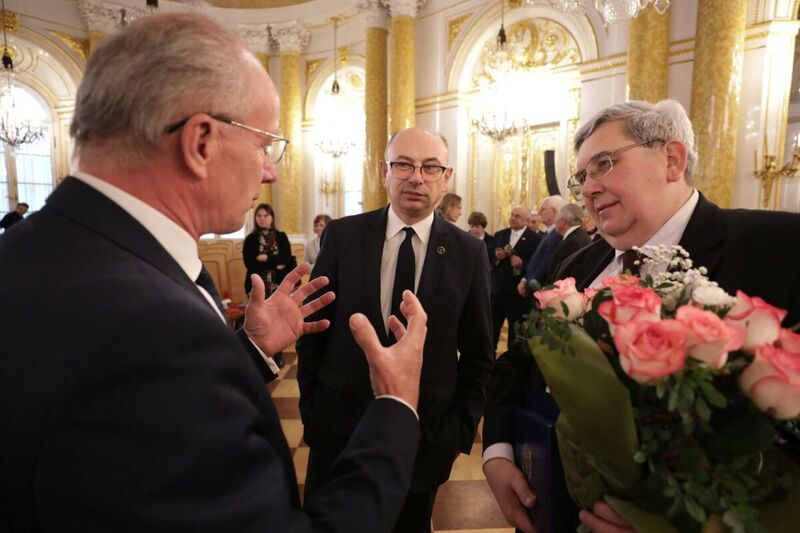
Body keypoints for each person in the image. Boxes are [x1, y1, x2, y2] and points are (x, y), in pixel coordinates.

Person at [0, 13, 431, 532]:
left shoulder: (30, 250)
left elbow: (147, 436)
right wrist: (395, 406)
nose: (270, 170)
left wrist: (247, 352)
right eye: (263, 144)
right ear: (201, 141)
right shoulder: (158, 330)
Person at [482, 99, 800, 533]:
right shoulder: (579, 263)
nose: (589, 189)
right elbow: (518, 362)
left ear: (671, 160)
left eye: (605, 164)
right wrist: (497, 452)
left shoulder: (779, 249)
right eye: (583, 177)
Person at [296, 127, 494, 533]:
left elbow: (479, 353)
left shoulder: (468, 252)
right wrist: (312, 410)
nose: (416, 177)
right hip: (338, 427)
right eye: (403, 164)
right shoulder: (342, 235)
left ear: (446, 176)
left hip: (425, 436)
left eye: (429, 167)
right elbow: (314, 331)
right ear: (383, 170)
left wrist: (457, 433)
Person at [489, 205, 541, 350]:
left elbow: (537, 264)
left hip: (518, 294)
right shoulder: (500, 235)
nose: (512, 218)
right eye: (512, 214)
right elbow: (488, 256)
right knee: (491, 331)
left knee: (515, 334)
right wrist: (496, 257)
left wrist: (522, 264)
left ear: (526, 220)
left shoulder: (535, 238)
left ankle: (509, 367)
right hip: (497, 291)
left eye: (517, 216)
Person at [243, 203, 292, 295]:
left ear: (272, 217)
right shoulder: (250, 239)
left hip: (279, 283)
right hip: (256, 284)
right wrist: (275, 264)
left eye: (266, 215)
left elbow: (286, 258)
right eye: (259, 216)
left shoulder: (281, 236)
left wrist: (266, 258)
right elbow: (250, 264)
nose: (262, 218)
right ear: (255, 218)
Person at [544, 203, 592, 278]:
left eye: (557, 218)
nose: (555, 222)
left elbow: (563, 273)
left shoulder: (572, 243)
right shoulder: (579, 236)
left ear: (564, 220)